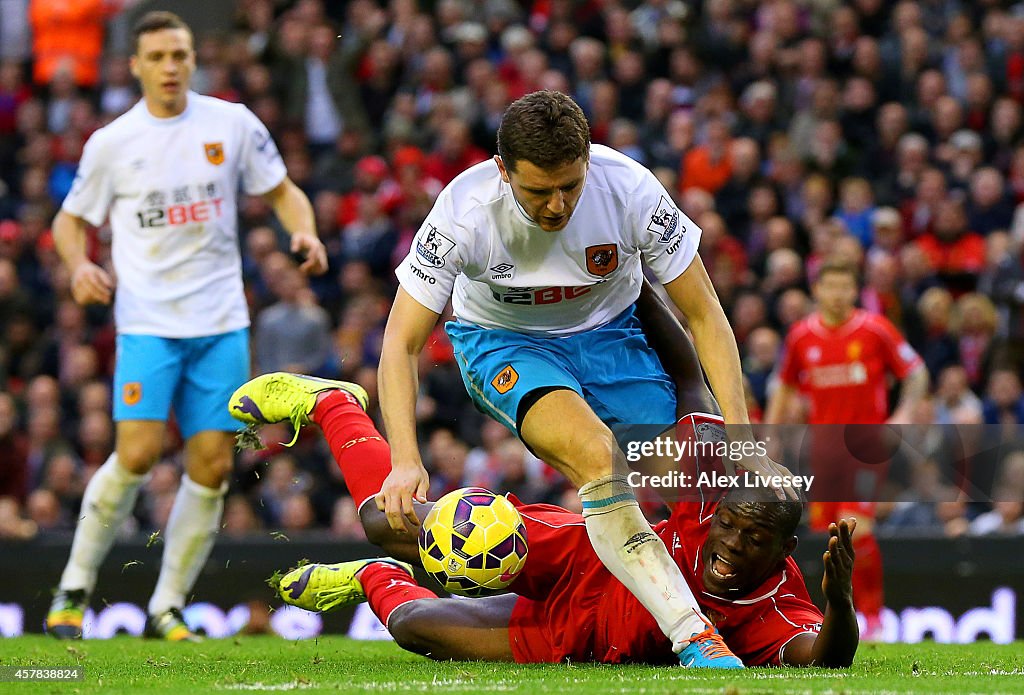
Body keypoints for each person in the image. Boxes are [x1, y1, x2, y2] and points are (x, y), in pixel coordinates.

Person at [376, 89, 790, 668]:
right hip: (505, 343)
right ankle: (692, 635)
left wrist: (744, 439)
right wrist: (404, 457)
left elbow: (706, 317)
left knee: (691, 484)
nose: (556, 206)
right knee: (599, 457)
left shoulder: (632, 190)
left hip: (613, 339)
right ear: (502, 171)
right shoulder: (462, 212)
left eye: (569, 185)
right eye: (538, 191)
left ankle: (688, 611)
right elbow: (401, 342)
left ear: (588, 160)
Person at [228, 288, 857, 667]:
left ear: (782, 554)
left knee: (416, 630)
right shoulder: (710, 478)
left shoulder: (780, 605)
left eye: (752, 542)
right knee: (381, 520)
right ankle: (334, 404)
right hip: (580, 555)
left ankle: (375, 580)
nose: (730, 545)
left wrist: (841, 605)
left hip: (574, 637)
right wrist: (633, 278)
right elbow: (690, 375)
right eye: (728, 524)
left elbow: (825, 657)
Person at [45, 11, 327, 642]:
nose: (171, 67)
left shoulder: (230, 124)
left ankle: (166, 606)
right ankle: (72, 589)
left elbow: (282, 191)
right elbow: (69, 221)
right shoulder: (112, 143)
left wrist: (302, 228)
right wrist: (78, 265)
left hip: (221, 323)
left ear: (192, 60)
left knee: (211, 467)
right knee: (138, 454)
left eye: (180, 54)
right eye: (159, 57)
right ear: (136, 66)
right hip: (148, 325)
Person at [764, 259, 929, 640]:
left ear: (855, 291)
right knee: (830, 535)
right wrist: (772, 432)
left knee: (859, 527)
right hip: (823, 450)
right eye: (830, 286)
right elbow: (785, 385)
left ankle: (873, 616)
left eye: (845, 287)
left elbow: (916, 371)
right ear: (817, 291)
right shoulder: (802, 336)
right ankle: (840, 614)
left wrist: (902, 415)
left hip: (867, 446)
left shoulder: (875, 329)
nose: (837, 295)